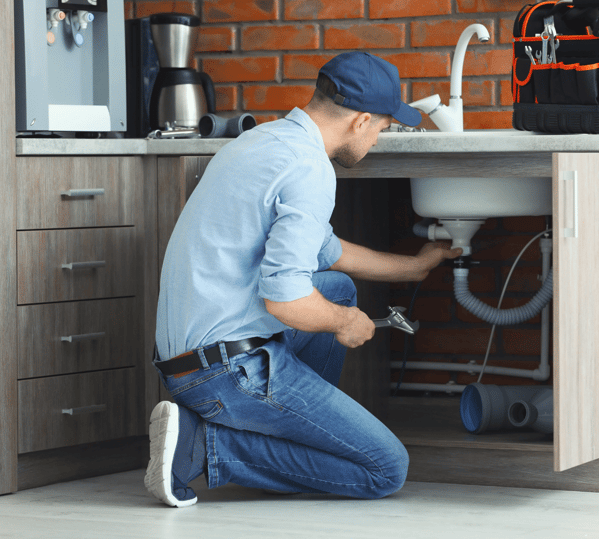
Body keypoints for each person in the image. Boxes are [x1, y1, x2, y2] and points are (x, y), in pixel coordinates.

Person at [145, 51, 463, 507]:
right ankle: (201, 446)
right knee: (385, 469)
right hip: (225, 372)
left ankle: (291, 432)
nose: (378, 139)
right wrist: (344, 322)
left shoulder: (267, 141)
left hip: (186, 359)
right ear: (361, 121)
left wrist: (413, 267)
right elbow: (286, 301)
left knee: (336, 287)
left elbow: (326, 252)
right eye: (383, 128)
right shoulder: (311, 170)